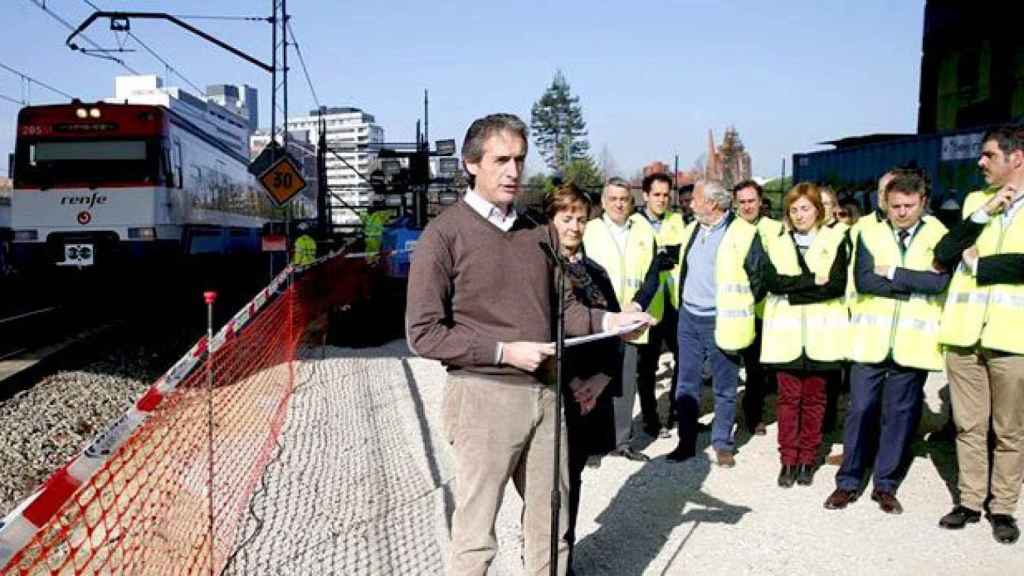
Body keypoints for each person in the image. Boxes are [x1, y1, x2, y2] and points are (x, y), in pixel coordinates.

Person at [406, 113, 650, 576]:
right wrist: (504, 351)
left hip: (546, 393)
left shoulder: (538, 233)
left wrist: (613, 321)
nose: (514, 171)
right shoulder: (443, 235)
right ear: (471, 164)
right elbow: (424, 332)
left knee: (551, 523)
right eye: (501, 160)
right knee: (476, 534)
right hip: (483, 395)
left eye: (519, 159)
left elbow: (565, 313)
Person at [824, 169, 951, 514]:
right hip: (870, 341)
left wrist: (893, 273)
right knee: (861, 409)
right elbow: (865, 281)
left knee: (899, 416)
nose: (902, 212)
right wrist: (916, 282)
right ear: (886, 203)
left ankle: (885, 485)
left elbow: (940, 284)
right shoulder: (868, 231)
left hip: (913, 343)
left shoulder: (939, 233)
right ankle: (847, 482)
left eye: (909, 205)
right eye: (895, 206)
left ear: (923, 202)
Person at [934, 124, 1024, 545]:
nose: (980, 162)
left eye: (989, 155)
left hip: (1013, 338)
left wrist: (980, 266)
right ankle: (970, 501)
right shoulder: (975, 202)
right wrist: (982, 216)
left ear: (1016, 158)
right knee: (969, 426)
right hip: (964, 333)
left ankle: (1003, 507)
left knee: (1010, 430)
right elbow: (944, 254)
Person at [545, 183, 619, 573]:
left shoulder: (595, 272)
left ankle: (565, 555)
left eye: (580, 218)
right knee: (549, 484)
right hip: (558, 389)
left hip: (593, 392)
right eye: (565, 218)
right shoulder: (540, 269)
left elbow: (614, 329)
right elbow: (540, 330)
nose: (574, 226)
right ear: (551, 220)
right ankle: (547, 560)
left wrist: (604, 379)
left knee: (573, 478)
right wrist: (573, 383)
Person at [667, 179, 765, 467]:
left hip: (721, 321)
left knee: (724, 386)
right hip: (688, 318)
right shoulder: (692, 229)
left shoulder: (745, 233)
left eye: (696, 198)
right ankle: (685, 443)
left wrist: (736, 307)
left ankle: (723, 443)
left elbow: (759, 280)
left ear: (712, 203)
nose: (690, 202)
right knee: (686, 384)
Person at [761, 182, 850, 488]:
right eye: (794, 209)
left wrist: (794, 286)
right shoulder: (777, 241)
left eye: (806, 209)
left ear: (819, 210)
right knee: (788, 401)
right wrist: (813, 281)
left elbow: (836, 285)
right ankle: (787, 459)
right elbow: (771, 281)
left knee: (814, 401)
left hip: (821, 336)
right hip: (785, 336)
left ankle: (808, 458)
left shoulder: (836, 239)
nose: (799, 215)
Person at [583, 177, 663, 461]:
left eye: (624, 199)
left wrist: (638, 303)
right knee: (593, 382)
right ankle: (592, 445)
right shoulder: (588, 230)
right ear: (603, 202)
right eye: (613, 198)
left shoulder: (644, 231)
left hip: (630, 320)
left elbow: (654, 275)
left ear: (632, 202)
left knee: (625, 383)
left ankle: (622, 441)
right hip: (598, 320)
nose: (619, 203)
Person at [633, 172, 687, 438]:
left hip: (674, 303)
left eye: (666, 195)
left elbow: (680, 253)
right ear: (645, 196)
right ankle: (651, 419)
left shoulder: (676, 220)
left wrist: (668, 255)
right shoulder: (633, 223)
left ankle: (677, 413)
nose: (662, 200)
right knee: (647, 366)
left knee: (684, 358)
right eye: (656, 194)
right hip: (648, 306)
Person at [733, 179, 784, 435]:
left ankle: (754, 415)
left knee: (757, 369)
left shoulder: (775, 229)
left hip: (766, 310)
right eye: (741, 202)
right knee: (730, 367)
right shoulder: (729, 229)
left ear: (761, 201)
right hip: (735, 310)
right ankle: (727, 415)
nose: (747, 206)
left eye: (751, 201)